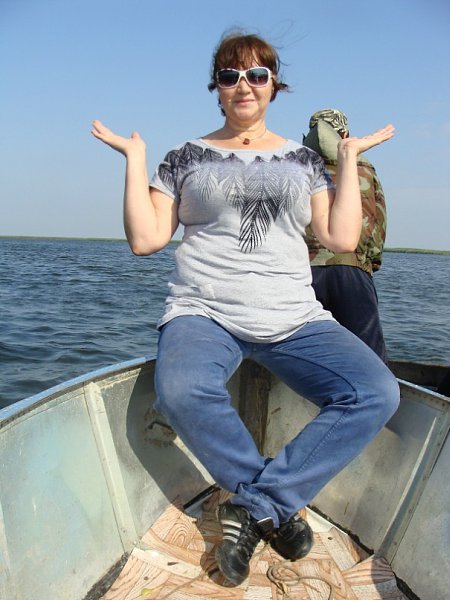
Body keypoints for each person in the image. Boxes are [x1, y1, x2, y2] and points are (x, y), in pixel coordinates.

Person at [92, 32, 399, 587]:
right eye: (230, 76)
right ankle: (274, 507)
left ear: (274, 86)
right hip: (203, 310)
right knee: (180, 390)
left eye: (257, 75)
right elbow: (146, 239)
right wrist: (135, 161)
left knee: (376, 391)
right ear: (216, 87)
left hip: (294, 316)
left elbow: (341, 237)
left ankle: (256, 505)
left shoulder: (305, 161)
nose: (244, 85)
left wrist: (349, 159)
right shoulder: (185, 156)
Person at [303, 108, 388, 362]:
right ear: (345, 135)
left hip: (302, 272)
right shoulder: (364, 168)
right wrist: (369, 264)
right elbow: (378, 222)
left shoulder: (295, 168)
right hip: (352, 269)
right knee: (368, 359)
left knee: (303, 353)